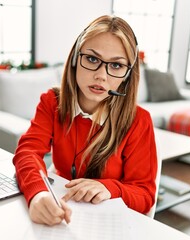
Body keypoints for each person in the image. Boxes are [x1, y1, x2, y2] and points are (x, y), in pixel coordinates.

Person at [13, 15, 158, 226]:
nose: (101, 75)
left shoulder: (138, 121)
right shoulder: (52, 102)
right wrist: (37, 194)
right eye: (92, 59)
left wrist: (111, 188)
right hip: (61, 208)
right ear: (74, 59)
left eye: (116, 66)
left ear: (127, 74)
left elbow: (144, 195)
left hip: (106, 225)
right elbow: (27, 152)